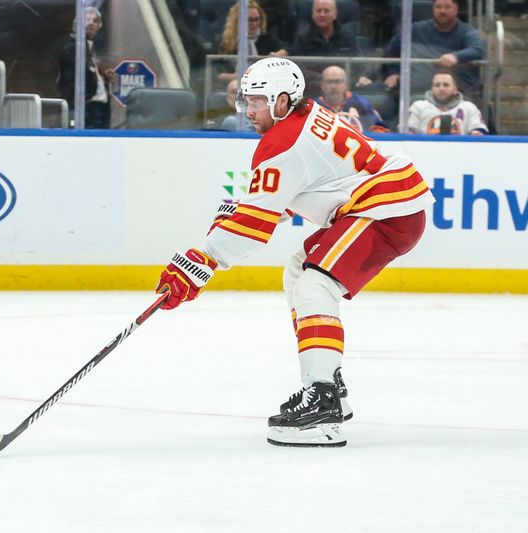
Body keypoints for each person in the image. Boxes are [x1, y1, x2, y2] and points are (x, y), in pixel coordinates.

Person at [154, 58, 434, 447]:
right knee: (300, 272)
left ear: (283, 101)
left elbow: (254, 226)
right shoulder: (300, 118)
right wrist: (227, 231)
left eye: (257, 102)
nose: (249, 111)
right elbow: (287, 196)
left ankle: (323, 405)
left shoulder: (282, 142)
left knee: (316, 287)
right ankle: (327, 381)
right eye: (246, 101)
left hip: (387, 211)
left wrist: (204, 259)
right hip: (385, 204)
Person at [383, 0, 484, 97]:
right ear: (433, 9)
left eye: (447, 7)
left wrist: (456, 56)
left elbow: (477, 49)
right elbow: (392, 50)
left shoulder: (467, 31)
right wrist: (393, 73)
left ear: (456, 9)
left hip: (459, 94)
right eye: (438, 7)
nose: (442, 11)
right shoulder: (416, 29)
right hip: (418, 94)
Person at [291, 0, 372, 89]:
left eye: (326, 11)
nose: (322, 14)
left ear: (335, 14)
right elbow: (298, 70)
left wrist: (363, 76)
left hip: (344, 87)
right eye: (318, 11)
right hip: (314, 88)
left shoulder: (347, 37)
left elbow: (360, 65)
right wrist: (327, 79)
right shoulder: (302, 38)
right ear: (312, 14)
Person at [58, 6, 112, 129]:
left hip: (98, 108)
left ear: (99, 26)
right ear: (77, 23)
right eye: (86, 19)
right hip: (85, 108)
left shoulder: (90, 47)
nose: (91, 23)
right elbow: (70, 78)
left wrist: (102, 76)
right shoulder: (73, 47)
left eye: (95, 21)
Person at [216, 1, 287, 83]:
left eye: (257, 19)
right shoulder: (225, 42)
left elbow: (288, 49)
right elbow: (217, 74)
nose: (254, 23)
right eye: (249, 20)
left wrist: (273, 56)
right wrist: (241, 76)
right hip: (233, 85)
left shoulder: (266, 38)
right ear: (238, 21)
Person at [408, 69, 487, 135]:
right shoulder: (418, 106)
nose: (441, 88)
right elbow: (408, 131)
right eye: (437, 85)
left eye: (446, 85)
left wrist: (476, 133)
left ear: (455, 89)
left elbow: (478, 130)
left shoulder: (469, 107)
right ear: (432, 89)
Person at [316, 65, 389, 133]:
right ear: (322, 85)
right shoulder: (315, 107)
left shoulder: (362, 103)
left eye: (337, 81)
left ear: (345, 84)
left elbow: (381, 131)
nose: (333, 86)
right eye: (329, 82)